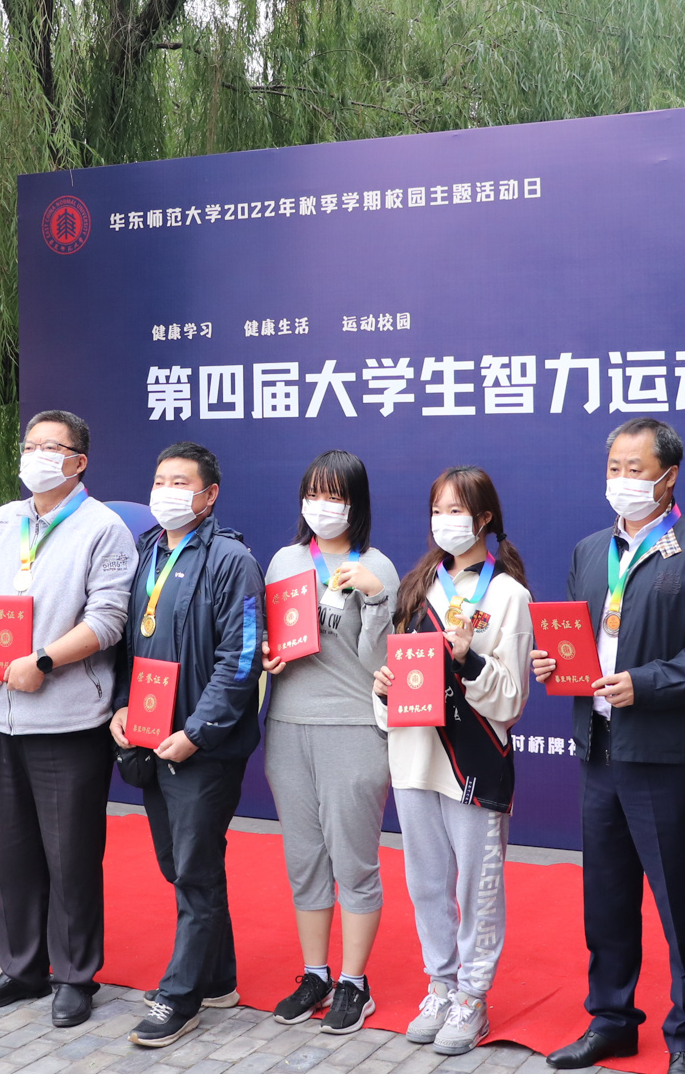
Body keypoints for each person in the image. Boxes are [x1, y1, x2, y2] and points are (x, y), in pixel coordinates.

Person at [533, 417, 685, 1074]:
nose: (621, 480)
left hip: (665, 753)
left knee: (682, 901)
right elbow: (579, 634)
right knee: (606, 897)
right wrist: (554, 664)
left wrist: (645, 684)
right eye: (613, 468)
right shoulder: (590, 549)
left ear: (668, 476)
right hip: (599, 746)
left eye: (635, 468)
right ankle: (611, 1020)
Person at [0, 410, 137, 1030]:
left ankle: (75, 975)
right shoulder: (0, 521)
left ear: (79, 461)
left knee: (71, 857)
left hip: (66, 718)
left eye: (51, 447)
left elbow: (108, 619)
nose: (36, 456)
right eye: (30, 445)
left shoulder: (103, 527)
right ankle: (22, 968)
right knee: (11, 854)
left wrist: (45, 661)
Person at [107, 442, 266, 1049]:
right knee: (178, 864)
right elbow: (129, 645)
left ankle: (181, 995)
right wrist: (122, 705)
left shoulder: (232, 560)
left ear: (209, 495)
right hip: (150, 738)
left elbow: (241, 659)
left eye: (181, 482)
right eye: (160, 480)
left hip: (203, 746)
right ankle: (219, 977)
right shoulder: (147, 551)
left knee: (194, 870)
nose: (167, 491)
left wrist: (196, 732)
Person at [372, 466, 532, 1059]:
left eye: (457, 510)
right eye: (437, 510)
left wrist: (468, 662)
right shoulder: (417, 587)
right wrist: (383, 690)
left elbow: (511, 699)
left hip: (474, 762)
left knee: (477, 886)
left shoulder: (509, 596)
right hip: (414, 756)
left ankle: (472, 995)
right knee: (426, 883)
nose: (445, 521)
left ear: (484, 518)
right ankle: (439, 985)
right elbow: (393, 677)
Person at [259, 449, 398, 1036]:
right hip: (288, 724)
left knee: (353, 860)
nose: (322, 506)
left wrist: (375, 598)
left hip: (354, 727)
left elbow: (380, 664)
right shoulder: (285, 560)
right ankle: (315, 973)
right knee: (304, 858)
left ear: (355, 504)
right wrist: (266, 652)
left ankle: (354, 982)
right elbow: (269, 635)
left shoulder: (377, 566)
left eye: (335, 496)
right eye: (313, 494)